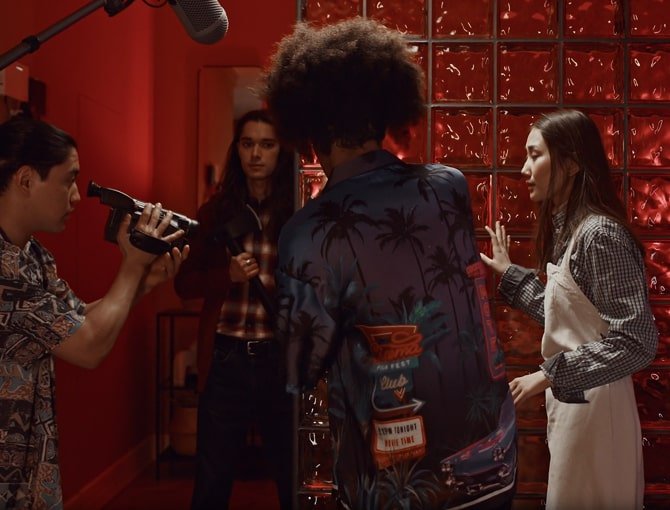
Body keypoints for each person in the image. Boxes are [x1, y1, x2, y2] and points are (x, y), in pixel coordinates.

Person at [264, 18, 517, 509]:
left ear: (311, 130)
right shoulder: (449, 186)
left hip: (396, 482)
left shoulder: (307, 232)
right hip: (492, 454)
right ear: (385, 113)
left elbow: (299, 367)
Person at [0, 115, 189, 508]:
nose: (75, 197)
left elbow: (77, 322)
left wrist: (144, 281)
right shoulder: (5, 270)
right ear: (26, 180)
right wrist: (132, 267)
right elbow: (88, 347)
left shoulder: (32, 255)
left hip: (24, 468)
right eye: (68, 180)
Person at [481, 109, 658, 509]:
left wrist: (547, 374)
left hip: (600, 409)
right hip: (579, 407)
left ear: (572, 163)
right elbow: (574, 322)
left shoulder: (600, 233)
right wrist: (511, 276)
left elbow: (637, 340)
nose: (524, 169)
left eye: (535, 155)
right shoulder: (574, 231)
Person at [174, 109, 295, 510]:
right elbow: (184, 284)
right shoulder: (214, 214)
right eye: (247, 144)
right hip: (226, 358)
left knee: (291, 473)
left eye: (267, 144)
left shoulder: (295, 216)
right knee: (212, 478)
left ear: (281, 152)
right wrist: (225, 275)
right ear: (237, 150)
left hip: (278, 358)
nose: (256, 154)